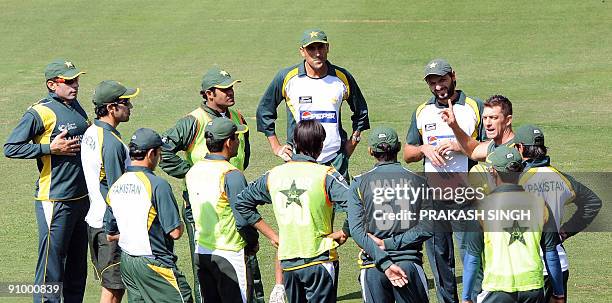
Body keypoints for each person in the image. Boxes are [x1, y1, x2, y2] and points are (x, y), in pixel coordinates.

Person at [159, 66, 263, 303]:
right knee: (207, 261)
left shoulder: (238, 118)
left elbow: (243, 156)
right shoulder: (194, 121)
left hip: (233, 199)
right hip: (202, 204)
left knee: (246, 259)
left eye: (231, 87)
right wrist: (192, 172)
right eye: (224, 89)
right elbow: (164, 149)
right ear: (208, 93)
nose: (230, 92)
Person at [4, 58, 89, 302]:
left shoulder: (75, 105)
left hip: (82, 199)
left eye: (76, 79)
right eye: (68, 81)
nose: (75, 85)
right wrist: (48, 148)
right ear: (52, 84)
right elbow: (11, 147)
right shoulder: (40, 112)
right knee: (51, 271)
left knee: (76, 269)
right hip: (55, 200)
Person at [236, 120, 350, 303]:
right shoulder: (327, 175)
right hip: (320, 258)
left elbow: (242, 202)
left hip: (288, 262)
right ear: (321, 145)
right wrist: (345, 231)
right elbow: (357, 204)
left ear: (295, 144)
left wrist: (272, 236)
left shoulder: (273, 175)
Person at [403, 58, 485, 303]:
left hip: (467, 197)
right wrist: (424, 150)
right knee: (440, 263)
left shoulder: (474, 107)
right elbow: (407, 153)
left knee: (470, 256)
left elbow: (491, 147)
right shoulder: (422, 111)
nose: (438, 87)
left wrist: (461, 146)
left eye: (442, 80)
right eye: (433, 82)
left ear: (453, 76)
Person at [256, 28, 370, 179]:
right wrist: (276, 147)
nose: (317, 53)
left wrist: (352, 142)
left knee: (339, 202)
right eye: (311, 48)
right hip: (298, 160)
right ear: (302, 51)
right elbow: (264, 110)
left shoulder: (342, 77)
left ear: (327, 48)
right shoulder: (287, 78)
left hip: (335, 161)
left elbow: (361, 111)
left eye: (321, 47)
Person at [462, 146, 565, 303]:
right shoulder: (540, 205)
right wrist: (558, 293)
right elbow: (551, 254)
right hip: (533, 290)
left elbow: (473, 258)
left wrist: (466, 297)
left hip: (497, 290)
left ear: (493, 172)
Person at [514, 125, 602, 302]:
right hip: (558, 265)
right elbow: (593, 202)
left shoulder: (517, 182)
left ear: (521, 148)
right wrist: (567, 230)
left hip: (529, 268)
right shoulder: (561, 178)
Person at [105, 128, 192, 303]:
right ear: (151, 153)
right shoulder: (157, 185)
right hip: (154, 262)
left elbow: (110, 234)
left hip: (128, 263)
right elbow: (175, 232)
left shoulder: (116, 185)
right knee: (183, 298)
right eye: (159, 153)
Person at [346, 126, 432, 303]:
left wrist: (383, 257)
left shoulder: (359, 183)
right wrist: (390, 244)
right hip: (408, 265)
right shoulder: (419, 182)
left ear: (371, 151)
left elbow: (356, 231)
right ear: (399, 147)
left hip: (373, 267)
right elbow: (428, 228)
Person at [185, 117, 255, 303]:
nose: (238, 142)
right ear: (228, 142)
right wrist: (252, 242)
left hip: (202, 252)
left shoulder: (193, 171)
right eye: (236, 138)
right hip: (229, 254)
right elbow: (243, 217)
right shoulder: (231, 174)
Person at [81, 80, 139, 303]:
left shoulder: (91, 132)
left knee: (113, 286)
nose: (130, 107)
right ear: (111, 107)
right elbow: (116, 190)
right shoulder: (112, 143)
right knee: (114, 289)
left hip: (96, 220)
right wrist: (116, 227)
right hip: (109, 226)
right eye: (126, 103)